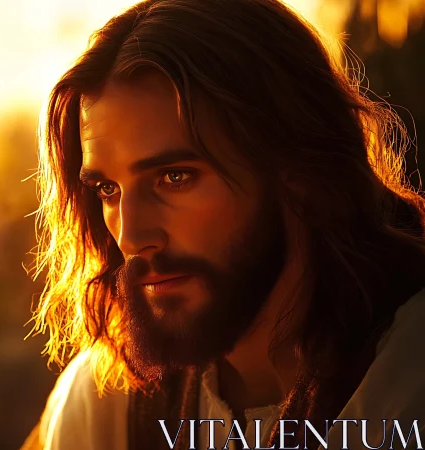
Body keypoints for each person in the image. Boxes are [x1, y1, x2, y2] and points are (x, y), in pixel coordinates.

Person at [21, 0, 425, 449]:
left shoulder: (406, 383)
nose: (132, 238)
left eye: (175, 177)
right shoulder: (110, 402)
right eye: (107, 190)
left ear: (300, 171)